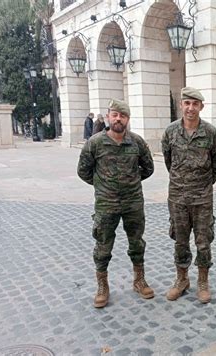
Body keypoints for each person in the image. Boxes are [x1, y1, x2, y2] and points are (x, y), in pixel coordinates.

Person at [77, 99, 155, 308]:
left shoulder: (137, 142)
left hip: (133, 203)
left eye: (122, 115)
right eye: (114, 115)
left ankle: (139, 280)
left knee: (137, 243)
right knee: (103, 245)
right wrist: (103, 185)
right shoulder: (95, 142)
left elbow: (148, 168)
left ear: (128, 119)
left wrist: (131, 182)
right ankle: (103, 286)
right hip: (106, 204)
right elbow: (83, 171)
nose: (118, 118)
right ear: (109, 116)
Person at [161, 87, 216, 304]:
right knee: (180, 240)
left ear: (201, 107)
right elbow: (169, 162)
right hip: (177, 197)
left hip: (202, 198)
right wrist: (182, 183)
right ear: (181, 105)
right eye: (187, 103)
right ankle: (182, 279)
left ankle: (203, 281)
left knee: (203, 241)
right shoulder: (170, 132)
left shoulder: (211, 133)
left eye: (195, 104)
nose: (190, 108)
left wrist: (202, 185)